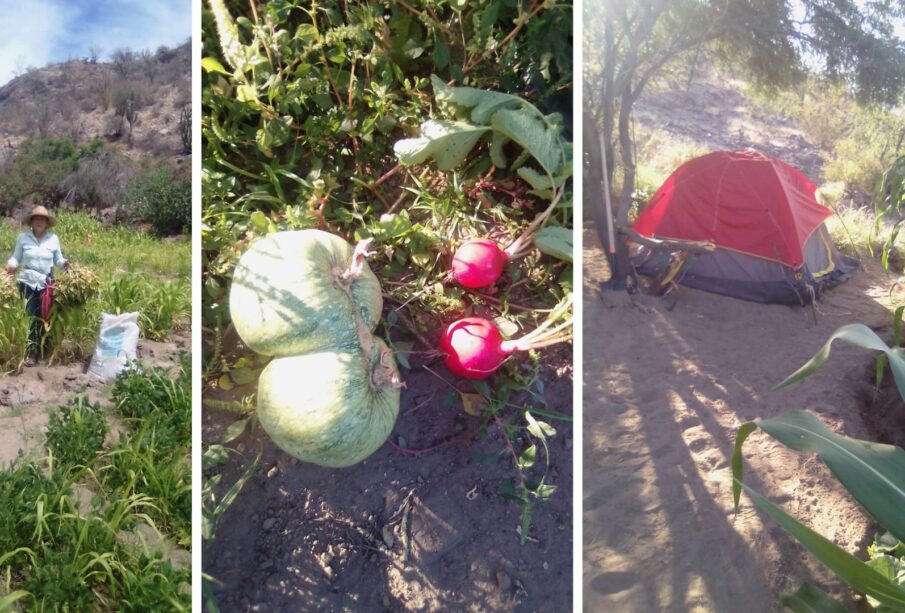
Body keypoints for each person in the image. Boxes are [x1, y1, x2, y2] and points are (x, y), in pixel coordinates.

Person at [5, 205, 69, 366]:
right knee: (30, 317)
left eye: (42, 219)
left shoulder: (53, 239)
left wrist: (66, 264)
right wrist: (10, 265)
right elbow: (15, 258)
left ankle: (45, 350)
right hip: (27, 281)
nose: (39, 221)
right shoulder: (23, 238)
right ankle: (31, 353)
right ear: (31, 222)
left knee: (45, 317)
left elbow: (58, 260)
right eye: (36, 219)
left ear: (47, 223)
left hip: (46, 283)